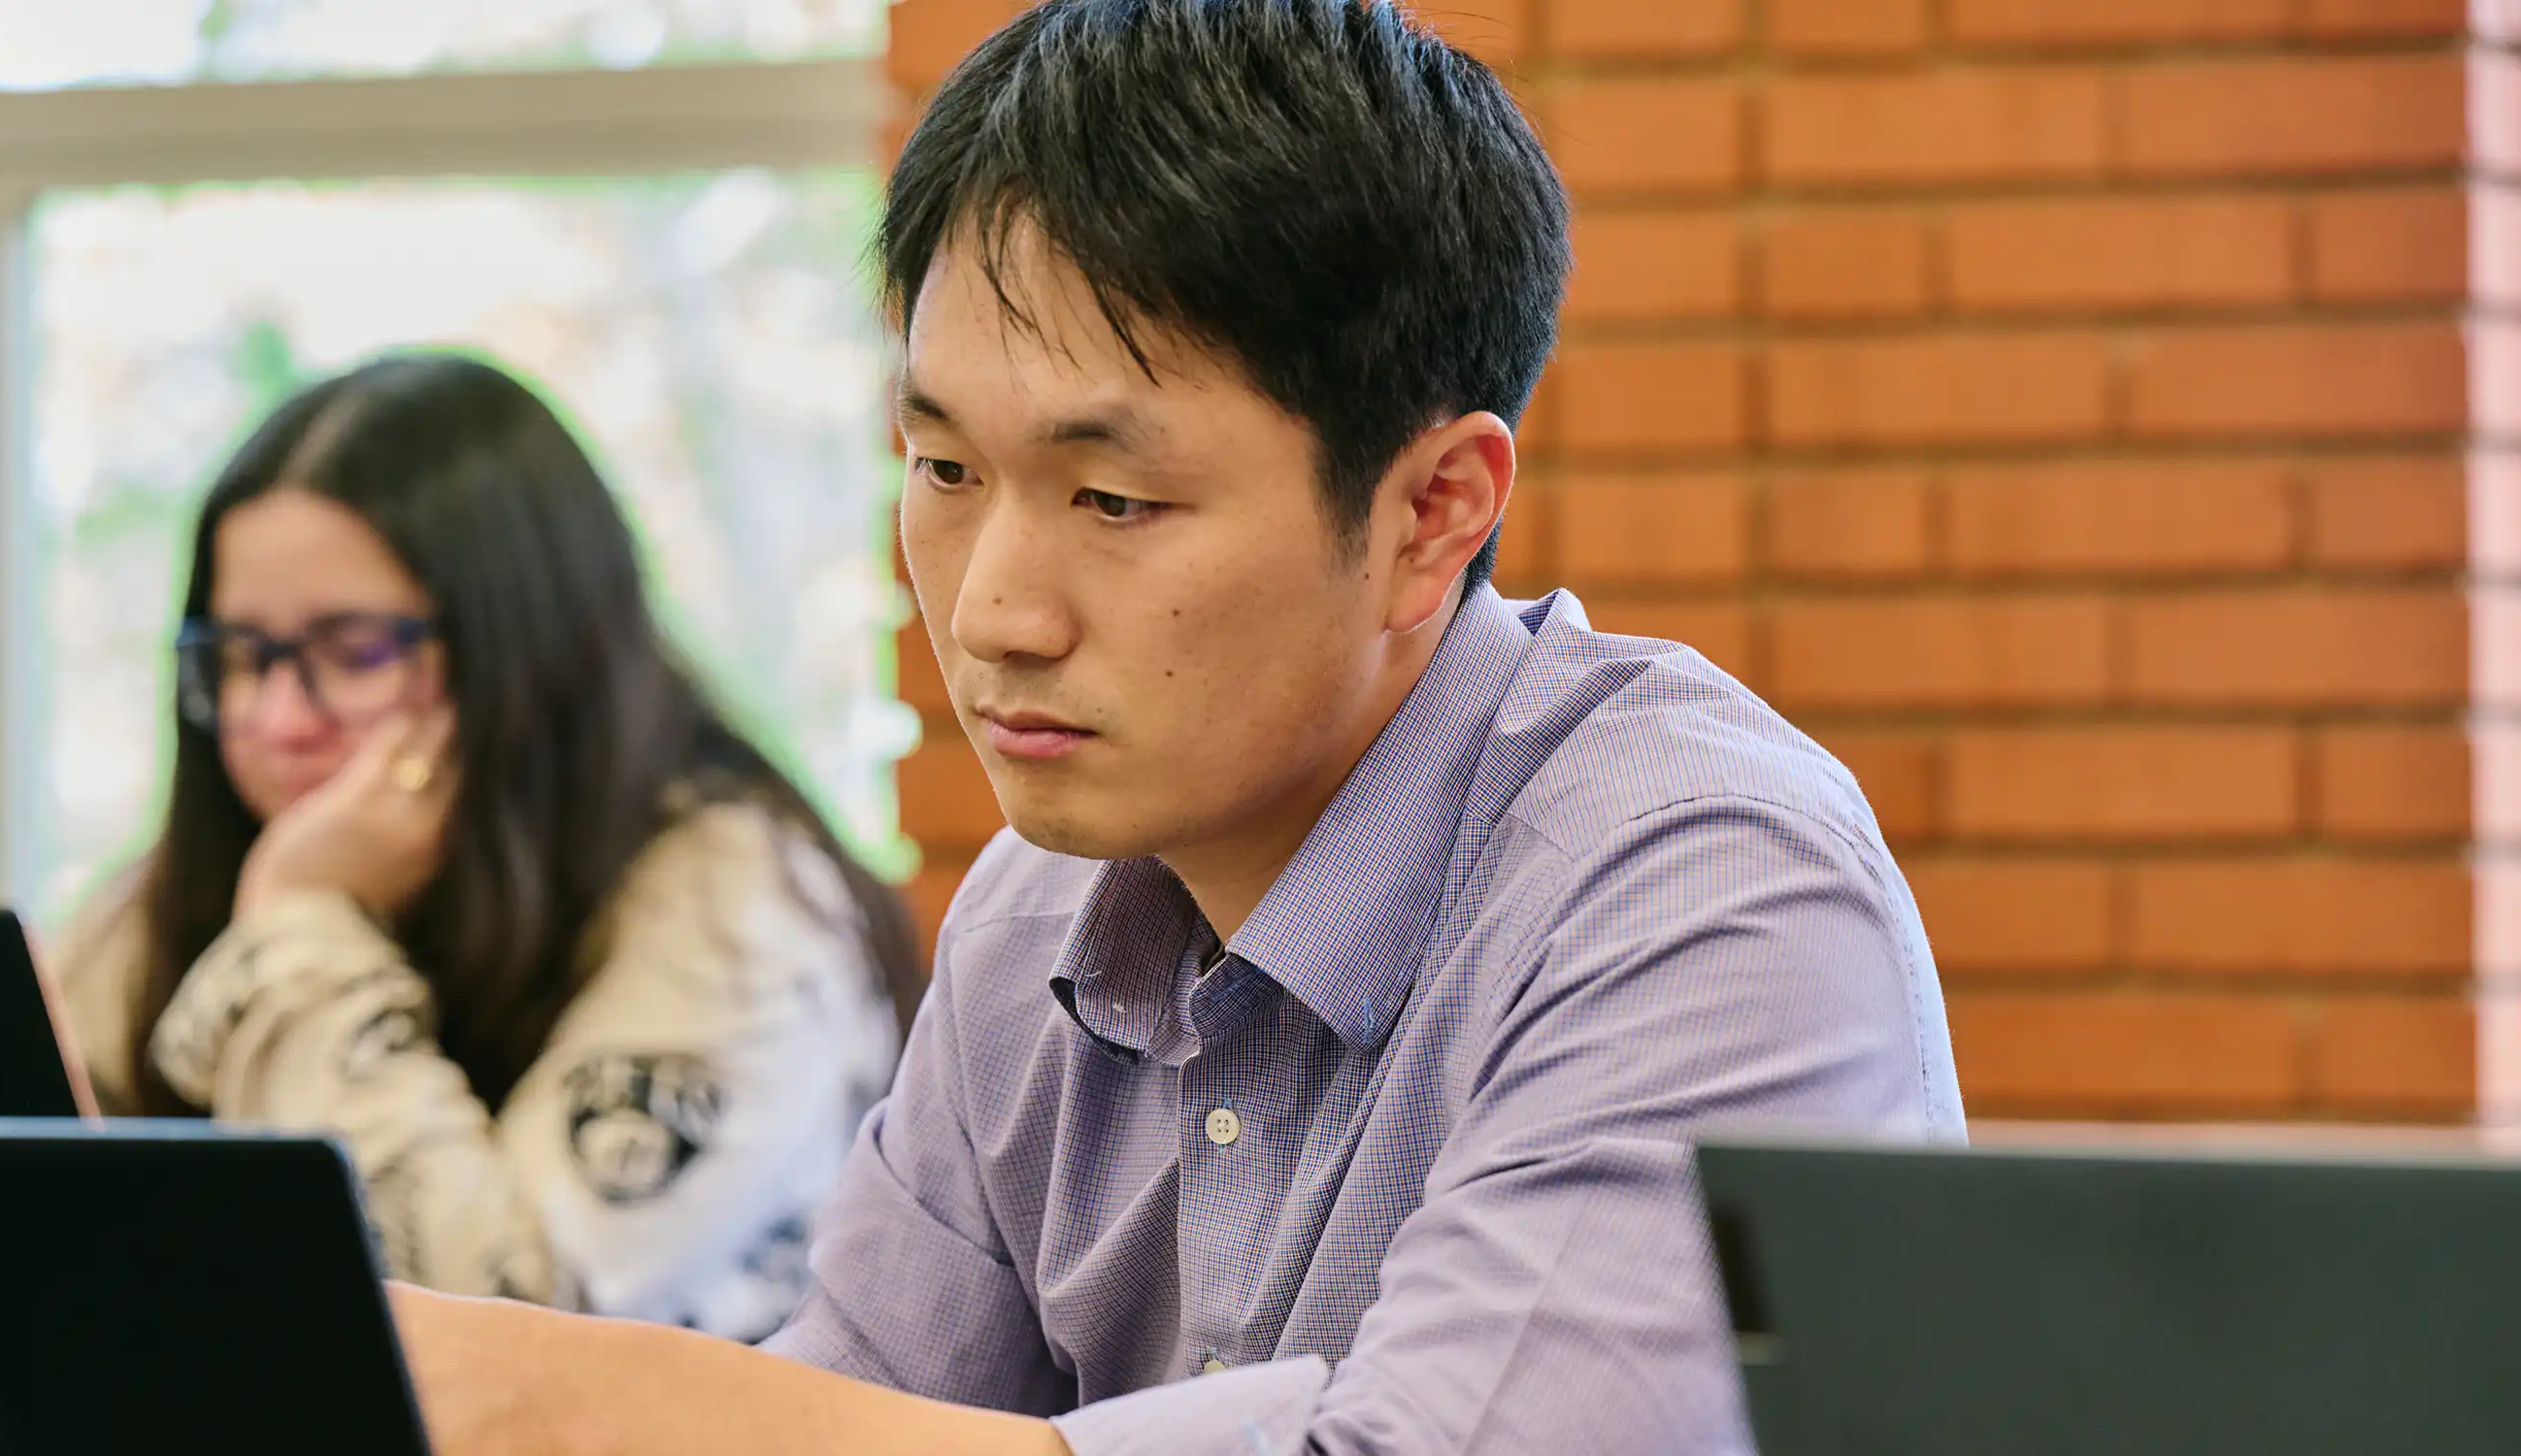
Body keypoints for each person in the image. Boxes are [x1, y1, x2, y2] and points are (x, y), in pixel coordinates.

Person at [387, 2, 1965, 1452]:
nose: (996, 609)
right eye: (940, 471)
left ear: (1434, 512)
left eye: (1115, 498)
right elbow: (855, 1410)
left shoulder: (1705, 890)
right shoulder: (1036, 921)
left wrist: (577, 1397)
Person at [49, 351, 920, 1339]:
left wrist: (301, 935)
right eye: (243, 657)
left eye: (353, 651)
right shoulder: (194, 884)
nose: (279, 719)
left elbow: (506, 1332)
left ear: (521, 650)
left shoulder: (737, 908)